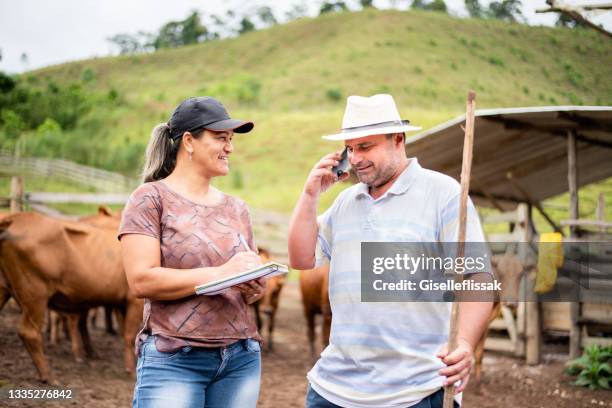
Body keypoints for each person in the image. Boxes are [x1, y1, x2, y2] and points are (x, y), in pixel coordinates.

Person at [288, 94, 494, 408]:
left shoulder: (443, 193)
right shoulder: (346, 202)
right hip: (333, 390)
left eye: (365, 146)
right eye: (350, 148)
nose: (355, 159)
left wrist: (464, 342)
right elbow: (301, 258)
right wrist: (309, 194)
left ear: (398, 139)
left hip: (415, 391)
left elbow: (479, 277)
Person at [118, 96, 266, 408]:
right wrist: (222, 274)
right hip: (175, 358)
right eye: (220, 138)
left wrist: (253, 286)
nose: (230, 148)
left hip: (240, 359)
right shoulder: (150, 199)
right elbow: (142, 281)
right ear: (189, 141)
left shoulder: (237, 208)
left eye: (231, 140)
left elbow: (248, 290)